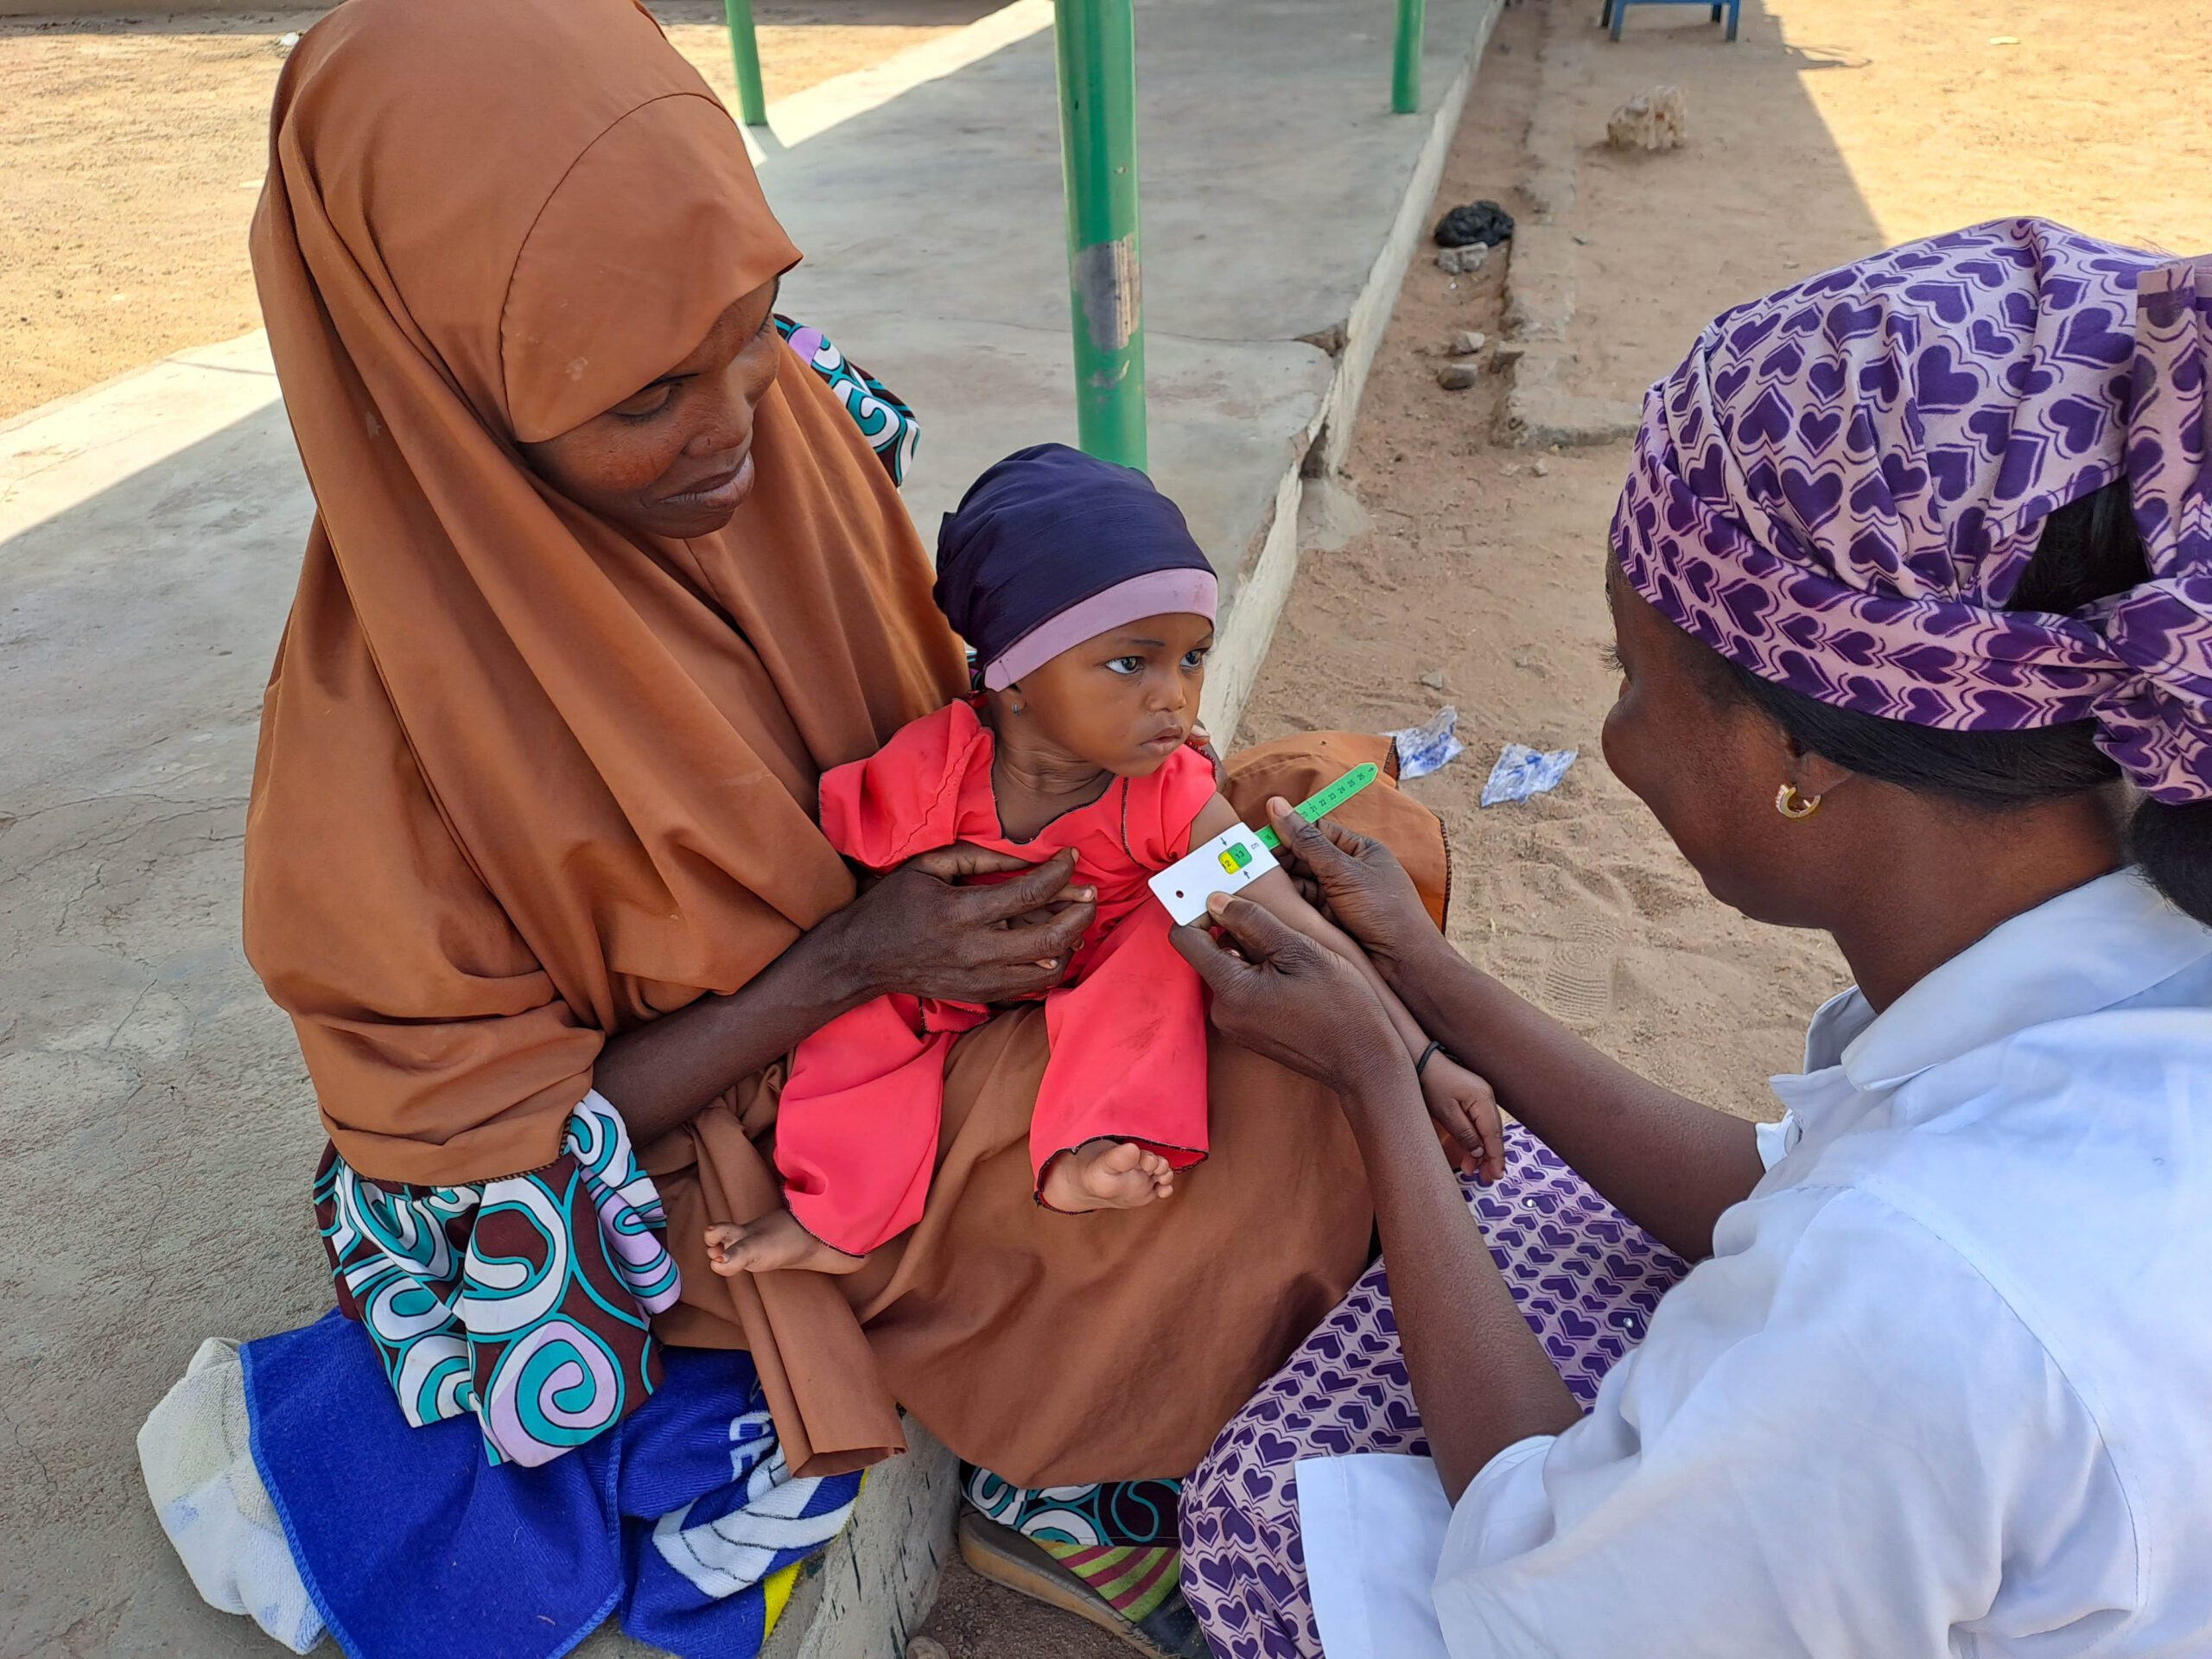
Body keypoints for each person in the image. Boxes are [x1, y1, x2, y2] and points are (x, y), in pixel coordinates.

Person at [135, 1, 1452, 1655]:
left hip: (962, 948)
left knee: (1347, 865)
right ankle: (1069, 1474)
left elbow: (949, 727)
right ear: (449, 388)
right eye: (646, 394)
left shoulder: (784, 441)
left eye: (754, 326)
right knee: (1244, 1119)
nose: (734, 421)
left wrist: (1087, 835)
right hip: (758, 1128)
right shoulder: (386, 763)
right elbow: (486, 1167)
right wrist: (844, 965)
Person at [1173, 218, 2212, 1658]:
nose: (1611, 743)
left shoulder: (1921, 1300)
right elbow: (1781, 1186)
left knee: (1272, 1518)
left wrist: (1371, 1081)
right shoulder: (2125, 949)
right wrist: (1422, 976)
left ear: (1807, 750)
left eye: (1631, 673)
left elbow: (1539, 1572)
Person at [710, 445, 1502, 1274]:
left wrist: (1421, 1056)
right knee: (855, 1029)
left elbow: (1289, 922)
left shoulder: (1170, 797)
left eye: (1191, 658)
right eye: (1131, 662)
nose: (1174, 697)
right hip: (953, 979)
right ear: (1012, 675)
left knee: (1171, 947)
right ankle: (832, 1221)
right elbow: (844, 881)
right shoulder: (927, 772)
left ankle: (1088, 1148)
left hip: (1106, 962)